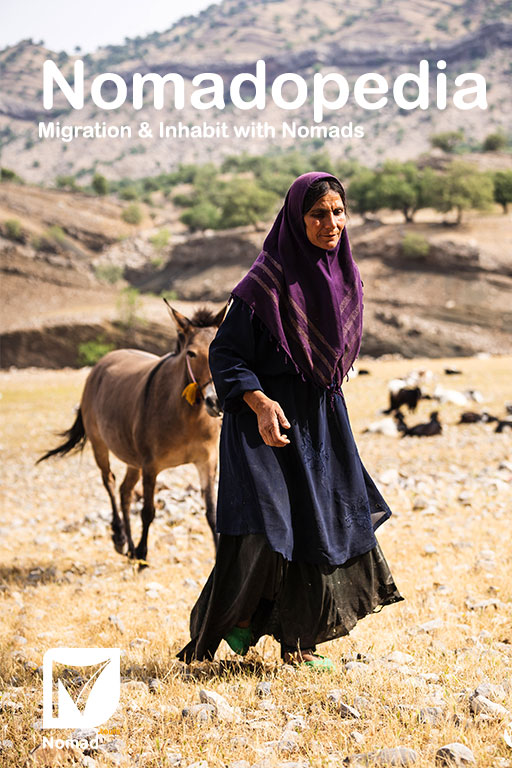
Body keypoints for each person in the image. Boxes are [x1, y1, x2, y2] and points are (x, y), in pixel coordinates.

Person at [177, 172, 403, 669]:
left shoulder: (346, 277)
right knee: (268, 530)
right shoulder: (263, 283)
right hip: (264, 425)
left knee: (317, 524)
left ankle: (300, 644)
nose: (331, 223)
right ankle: (227, 628)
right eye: (318, 214)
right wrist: (259, 403)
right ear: (296, 219)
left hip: (320, 421)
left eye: (338, 212)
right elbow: (227, 354)